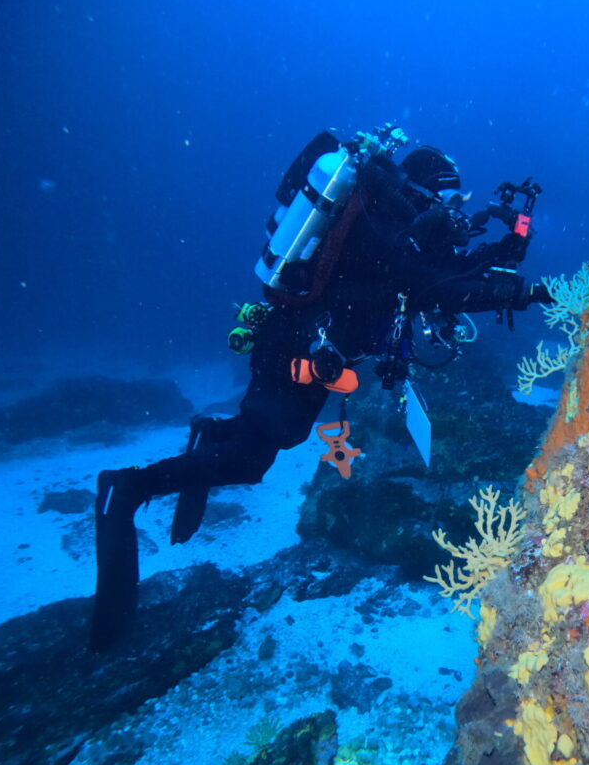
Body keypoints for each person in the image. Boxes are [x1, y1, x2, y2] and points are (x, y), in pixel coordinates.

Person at [91, 125, 551, 650]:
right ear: (423, 191)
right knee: (253, 458)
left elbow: (455, 275)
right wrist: (526, 293)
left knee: (264, 438)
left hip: (301, 347)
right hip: (295, 351)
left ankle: (209, 435)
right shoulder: (386, 233)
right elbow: (445, 285)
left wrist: (514, 243)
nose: (451, 211)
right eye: (446, 197)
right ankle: (126, 488)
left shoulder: (393, 232)